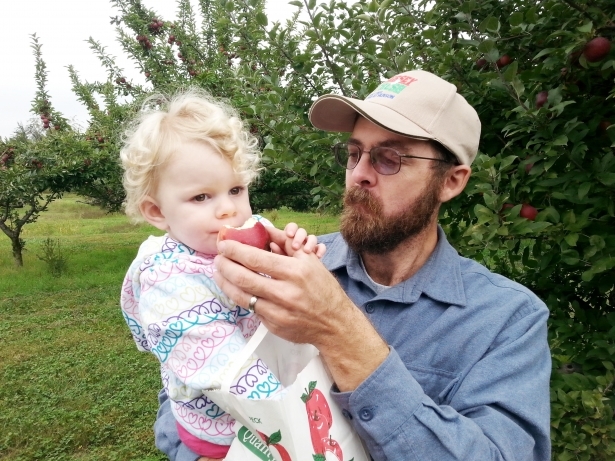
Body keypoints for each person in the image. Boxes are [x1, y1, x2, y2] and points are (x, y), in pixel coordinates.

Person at [154, 70, 551, 461]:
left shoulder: (507, 320)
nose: (359, 174)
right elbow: (189, 374)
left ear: (451, 181)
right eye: (354, 153)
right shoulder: (293, 262)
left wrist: (339, 329)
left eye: (389, 159)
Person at [119, 89, 324, 460]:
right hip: (226, 430)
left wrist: (294, 254)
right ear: (157, 212)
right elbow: (223, 368)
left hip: (270, 399)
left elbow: (279, 261)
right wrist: (294, 411)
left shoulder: (248, 230)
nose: (228, 209)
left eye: (235, 189)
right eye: (201, 197)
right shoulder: (168, 284)